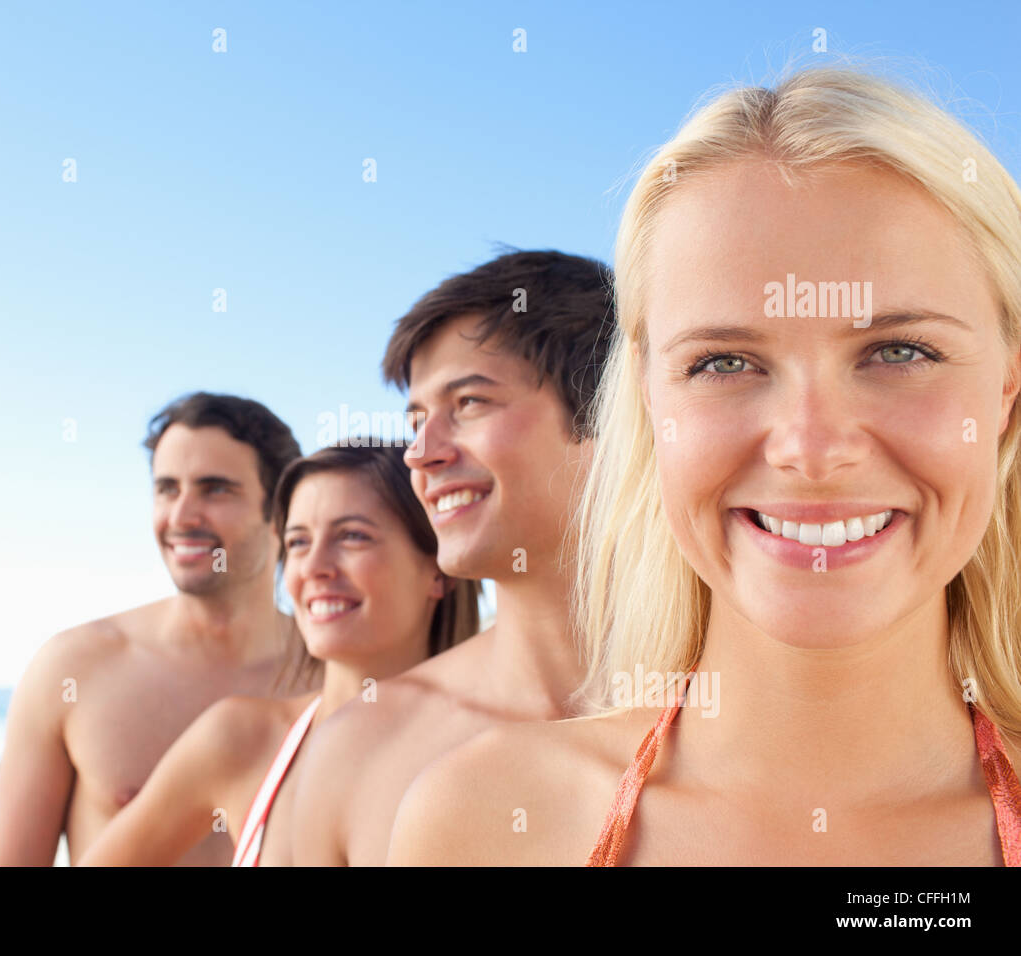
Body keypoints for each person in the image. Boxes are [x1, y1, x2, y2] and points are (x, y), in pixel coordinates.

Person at [388, 67, 1021, 866]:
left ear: (1006, 387)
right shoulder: (486, 824)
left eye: (900, 351)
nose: (812, 449)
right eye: (725, 362)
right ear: (648, 399)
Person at [289, 250, 616, 865]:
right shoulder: (361, 745)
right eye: (416, 419)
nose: (420, 453)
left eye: (468, 403)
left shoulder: (755, 707)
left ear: (608, 419)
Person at [77, 444, 480, 866]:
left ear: (439, 570)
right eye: (299, 542)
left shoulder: (483, 752)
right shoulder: (243, 740)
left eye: (352, 536)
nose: (314, 567)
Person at [0, 392, 306, 866]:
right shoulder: (73, 669)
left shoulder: (332, 675)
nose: (181, 517)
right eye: (167, 489)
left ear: (280, 509)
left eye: (215, 489)